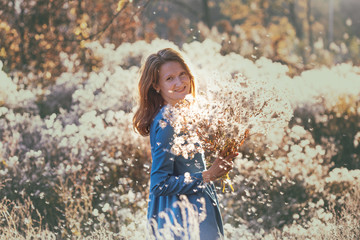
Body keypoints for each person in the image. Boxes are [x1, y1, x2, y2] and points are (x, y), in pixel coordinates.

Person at [133, 48, 237, 240]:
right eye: (169, 78)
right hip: (183, 217)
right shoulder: (168, 121)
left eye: (182, 75)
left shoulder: (180, 112)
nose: (180, 83)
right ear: (156, 85)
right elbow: (159, 185)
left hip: (195, 207)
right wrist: (208, 175)